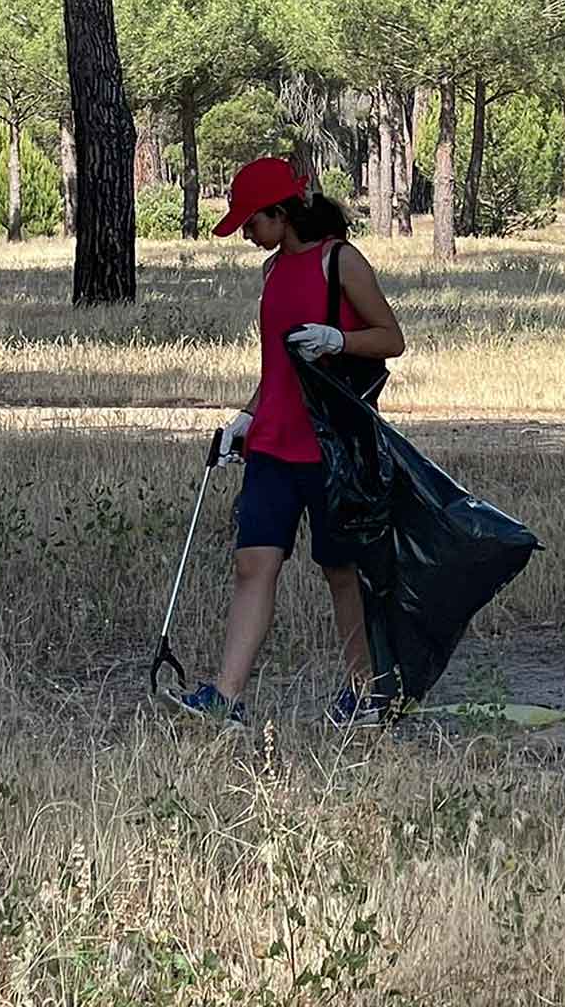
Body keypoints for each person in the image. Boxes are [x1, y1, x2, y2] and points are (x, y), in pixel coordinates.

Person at [165, 156, 406, 729]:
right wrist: (244, 420)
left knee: (341, 571)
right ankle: (226, 699)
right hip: (271, 444)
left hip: (330, 447)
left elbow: (391, 339)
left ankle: (367, 694)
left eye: (252, 222)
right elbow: (275, 368)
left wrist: (338, 340)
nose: (246, 234)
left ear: (282, 212)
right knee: (252, 564)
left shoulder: (341, 261)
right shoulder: (272, 271)